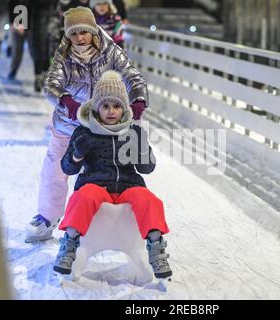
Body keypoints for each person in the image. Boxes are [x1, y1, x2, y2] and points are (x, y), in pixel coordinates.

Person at [25, 6, 148, 243]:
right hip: (69, 122)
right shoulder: (64, 54)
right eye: (73, 33)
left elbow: (132, 75)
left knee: (104, 172)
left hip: (104, 123)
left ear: (93, 30)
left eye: (84, 32)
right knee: (56, 166)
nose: (79, 38)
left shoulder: (110, 50)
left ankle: (98, 222)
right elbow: (51, 83)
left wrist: (139, 99)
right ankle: (47, 217)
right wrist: (65, 101)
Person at [53, 70, 172, 279]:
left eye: (116, 106)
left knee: (149, 200)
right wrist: (78, 155)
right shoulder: (84, 131)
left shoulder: (133, 132)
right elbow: (67, 168)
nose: (111, 111)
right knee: (82, 197)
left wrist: (142, 149)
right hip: (95, 183)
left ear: (123, 108)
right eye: (105, 106)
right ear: (96, 107)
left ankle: (156, 248)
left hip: (128, 185)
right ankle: (70, 245)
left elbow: (147, 169)